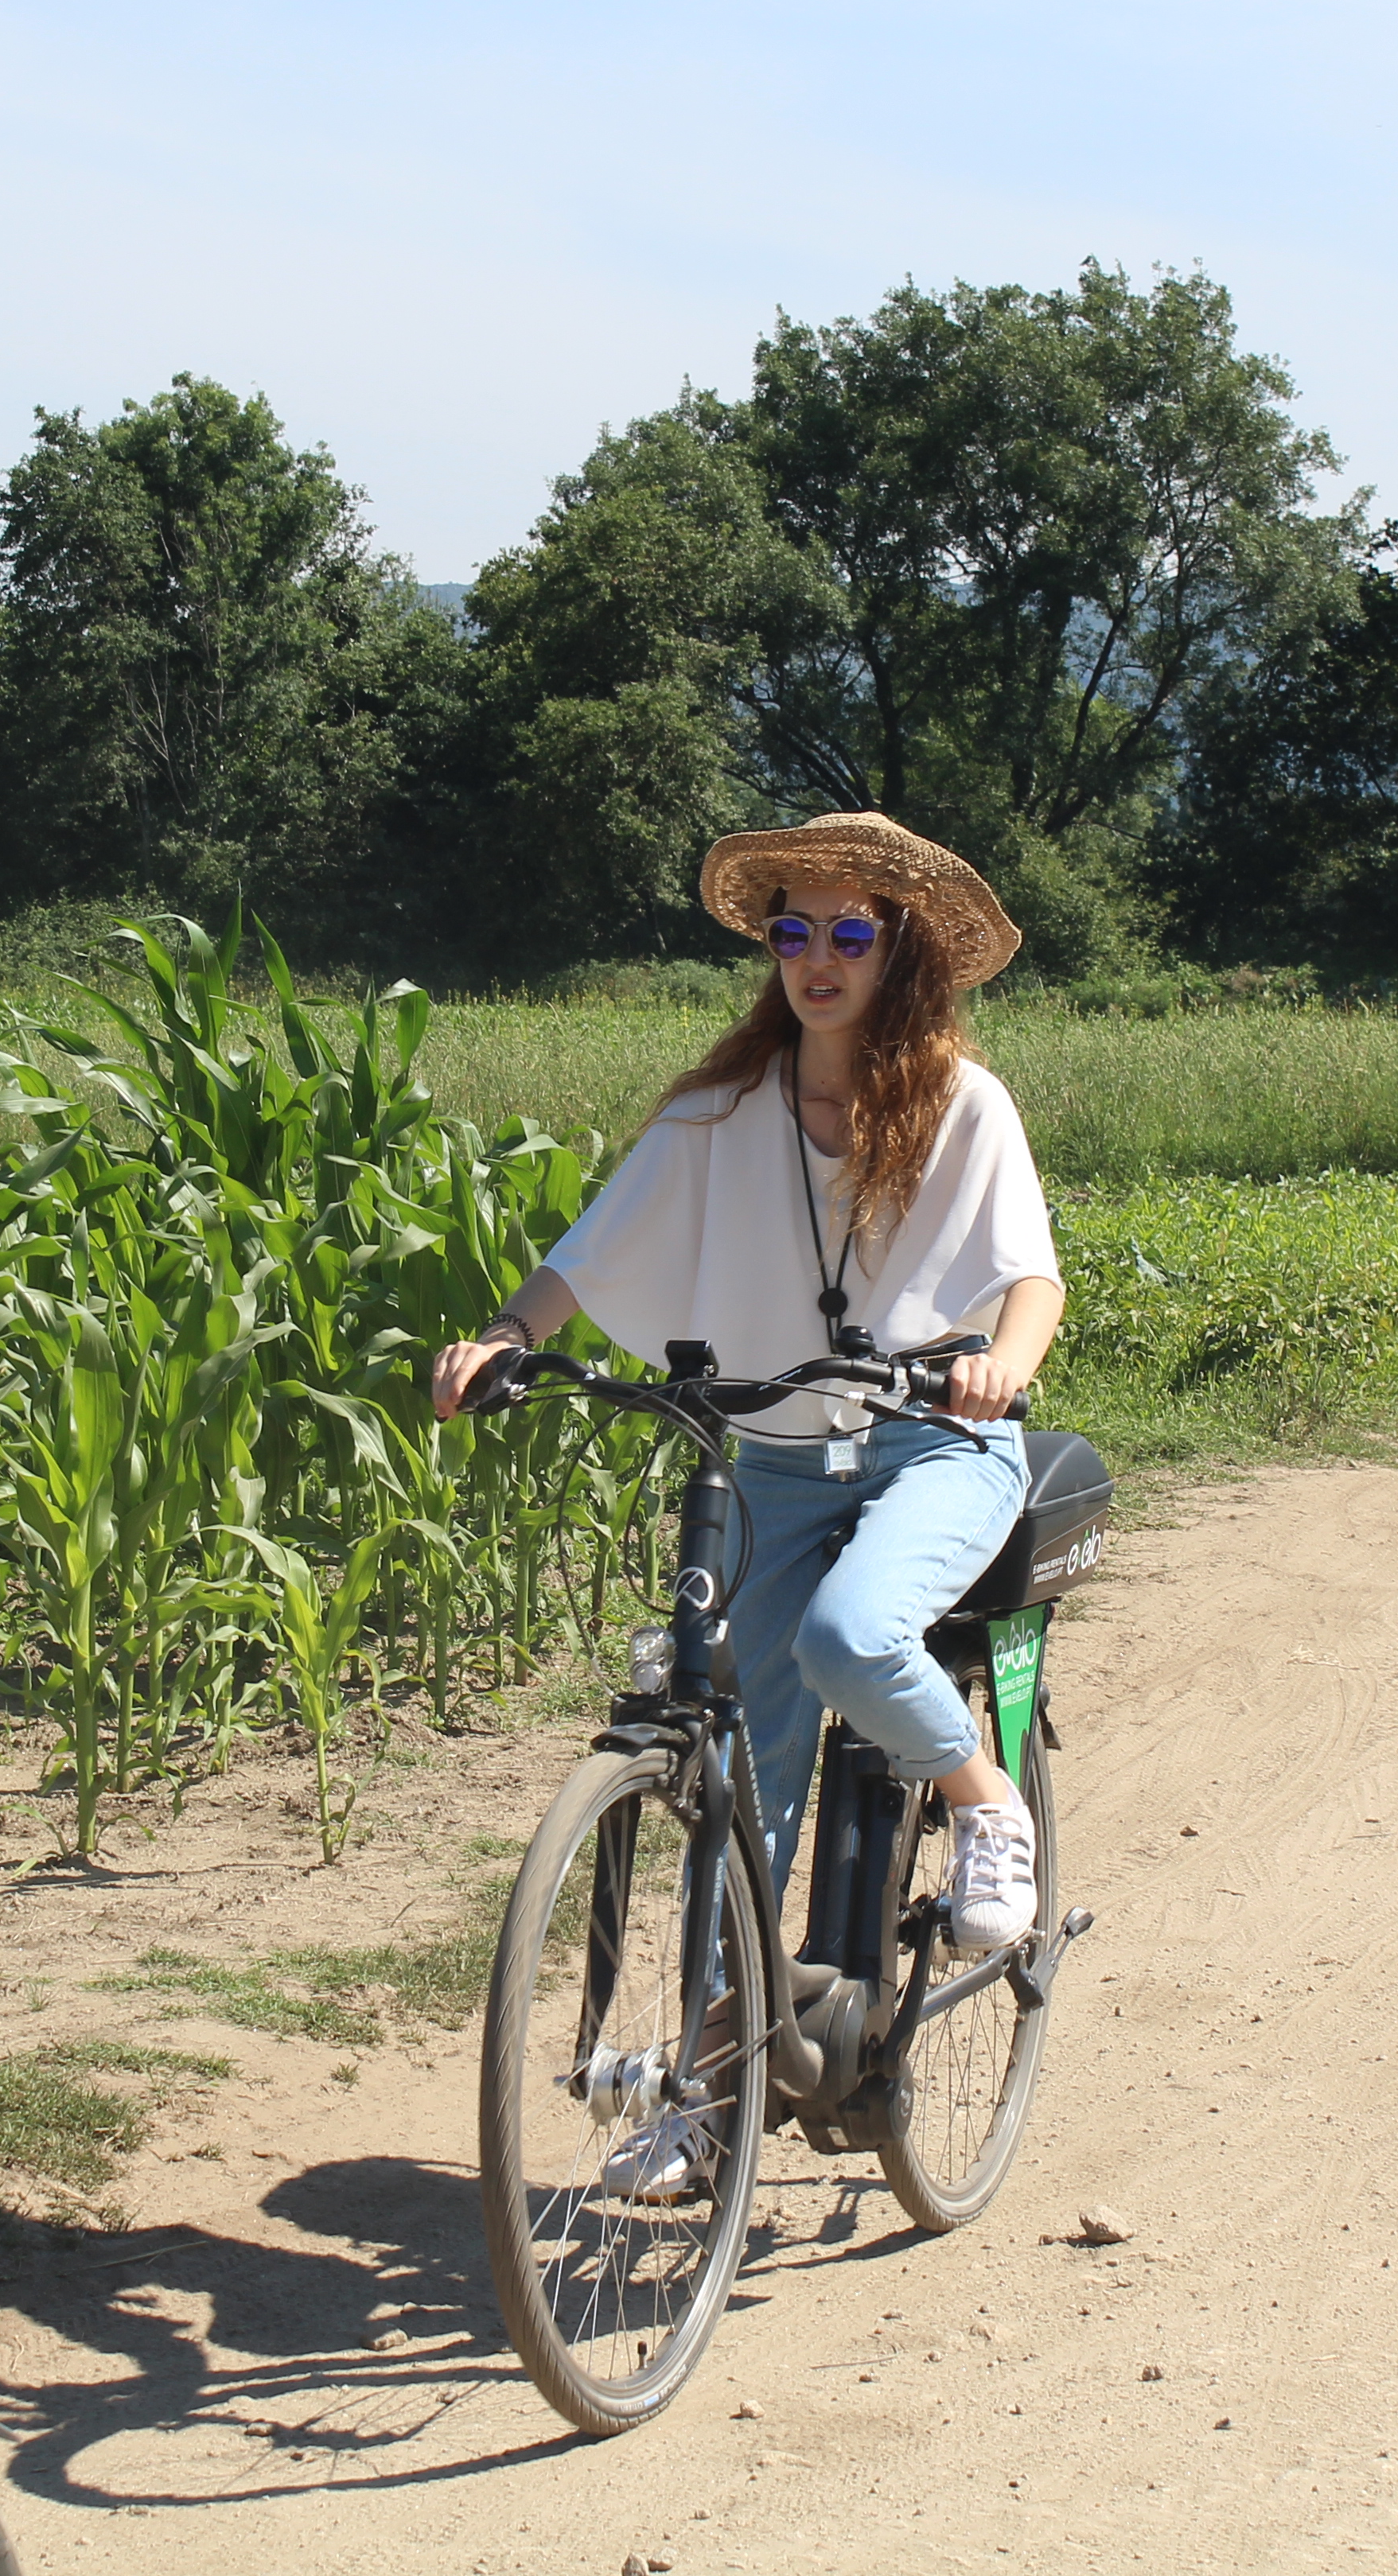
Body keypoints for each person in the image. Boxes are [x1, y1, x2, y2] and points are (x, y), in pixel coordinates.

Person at [430, 814, 1063, 2193]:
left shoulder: (962, 1102)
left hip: (927, 1452)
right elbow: (585, 1257)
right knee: (739, 1785)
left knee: (848, 1639)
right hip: (771, 1458)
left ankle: (982, 1800)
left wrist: (997, 1369)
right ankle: (709, 2092)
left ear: (900, 950)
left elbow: (1029, 1277)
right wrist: (498, 1335)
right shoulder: (715, 1111)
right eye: (792, 930)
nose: (815, 959)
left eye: (849, 932)